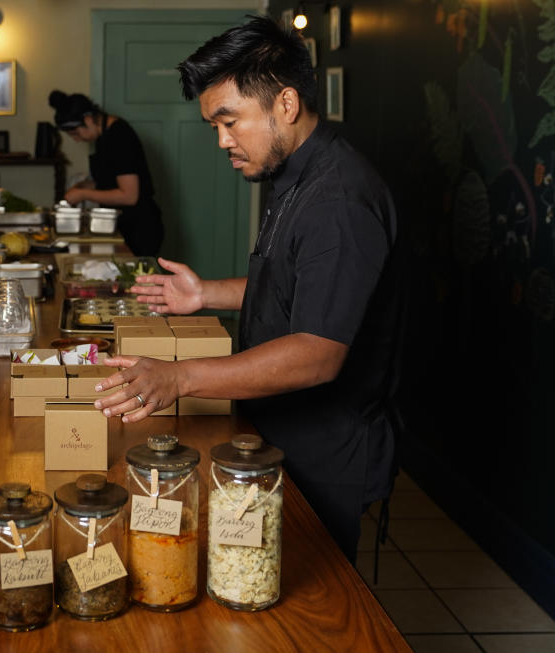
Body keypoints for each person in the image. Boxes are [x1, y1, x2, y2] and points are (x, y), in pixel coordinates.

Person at [93, 16, 404, 563]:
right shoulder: (295, 174)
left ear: (285, 104)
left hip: (325, 454)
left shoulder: (339, 201)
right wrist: (203, 294)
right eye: (215, 125)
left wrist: (180, 375)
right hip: (276, 434)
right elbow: (292, 284)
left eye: (230, 121)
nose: (222, 141)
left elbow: (317, 353)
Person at [48, 90, 163, 256]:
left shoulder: (120, 136)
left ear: (87, 119)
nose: (77, 139)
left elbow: (129, 196)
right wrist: (83, 186)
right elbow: (109, 181)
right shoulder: (103, 137)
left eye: (75, 133)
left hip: (140, 227)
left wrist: (83, 194)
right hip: (122, 225)